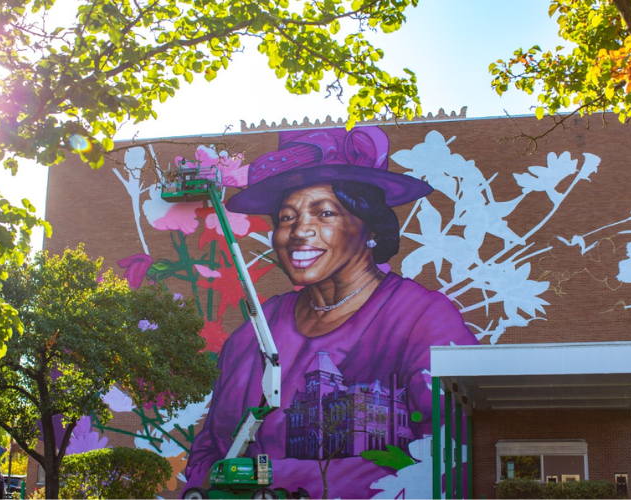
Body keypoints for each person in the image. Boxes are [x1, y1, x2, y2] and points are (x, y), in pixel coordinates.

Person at [183, 127, 477, 499]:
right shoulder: (255, 330)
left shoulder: (423, 319)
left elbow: (450, 449)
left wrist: (274, 482)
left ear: (367, 226)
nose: (299, 231)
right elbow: (209, 448)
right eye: (286, 218)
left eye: (324, 213)